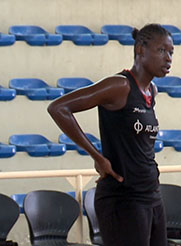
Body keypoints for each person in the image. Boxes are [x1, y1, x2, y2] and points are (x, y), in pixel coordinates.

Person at [47, 24, 173, 246]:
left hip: (151, 194)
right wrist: (97, 156)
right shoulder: (119, 85)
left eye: (171, 52)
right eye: (162, 50)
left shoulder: (152, 92)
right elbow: (59, 108)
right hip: (122, 198)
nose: (168, 58)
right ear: (141, 50)